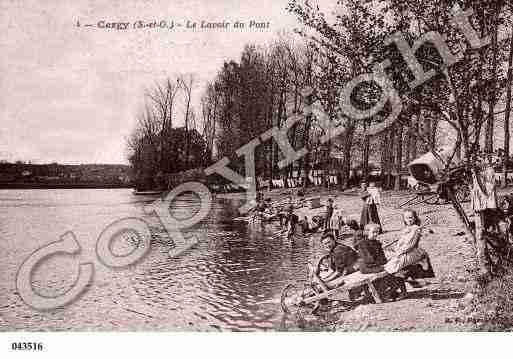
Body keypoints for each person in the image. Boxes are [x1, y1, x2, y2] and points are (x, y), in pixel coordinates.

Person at [384, 210, 433, 279]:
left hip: (411, 251)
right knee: (387, 258)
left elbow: (410, 245)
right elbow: (400, 242)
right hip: (403, 250)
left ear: (415, 218)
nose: (409, 220)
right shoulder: (406, 229)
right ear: (404, 219)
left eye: (411, 218)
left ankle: (402, 272)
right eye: (406, 218)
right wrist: (396, 249)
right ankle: (400, 272)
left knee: (392, 265)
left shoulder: (416, 229)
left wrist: (399, 252)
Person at [471, 160, 499, 277]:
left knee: (488, 230)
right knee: (481, 232)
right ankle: (485, 265)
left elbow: (489, 186)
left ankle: (490, 263)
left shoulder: (488, 171)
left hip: (486, 202)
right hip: (481, 203)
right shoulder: (477, 172)